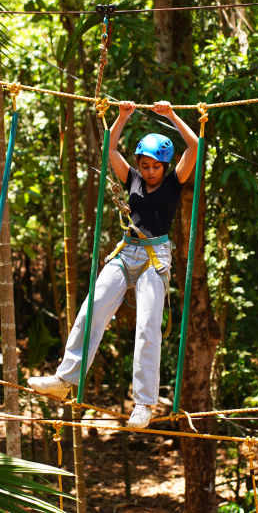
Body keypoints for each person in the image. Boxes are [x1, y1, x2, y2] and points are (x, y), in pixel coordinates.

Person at [28, 100, 199, 428]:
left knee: (148, 327)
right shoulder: (132, 180)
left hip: (156, 257)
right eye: (145, 166)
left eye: (155, 167)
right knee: (91, 309)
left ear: (165, 166)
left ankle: (144, 404)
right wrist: (122, 117)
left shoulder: (175, 181)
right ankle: (65, 381)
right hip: (126, 252)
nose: (149, 172)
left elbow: (194, 145)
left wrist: (171, 115)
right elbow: (108, 149)